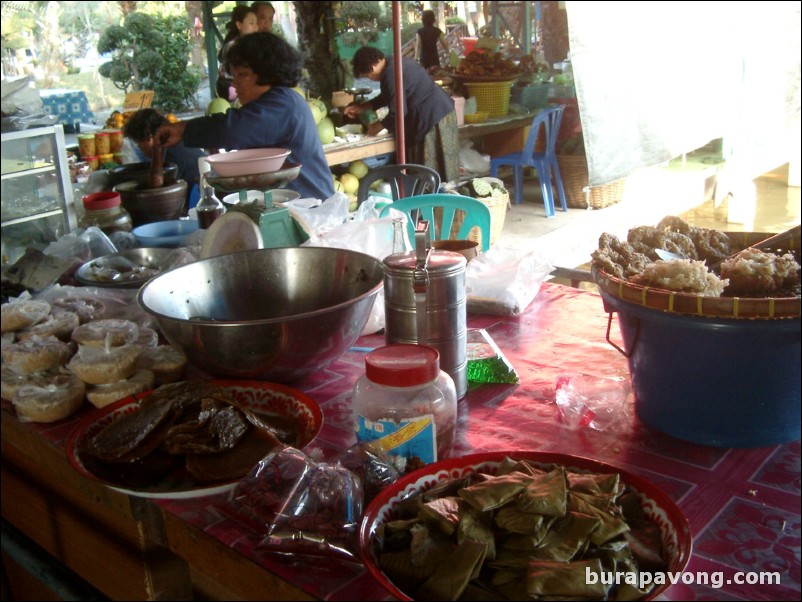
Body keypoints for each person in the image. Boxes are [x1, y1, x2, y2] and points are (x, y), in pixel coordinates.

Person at [157, 32, 334, 201]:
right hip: (290, 206)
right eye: (233, 76)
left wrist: (182, 130)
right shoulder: (273, 103)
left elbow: (232, 129)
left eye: (242, 75)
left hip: (312, 211)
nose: (235, 83)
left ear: (268, 72)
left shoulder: (283, 104)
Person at [345, 47, 459, 184]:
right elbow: (391, 96)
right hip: (440, 110)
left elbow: (397, 111)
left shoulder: (391, 73)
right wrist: (362, 107)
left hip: (433, 116)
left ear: (372, 67)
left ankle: (440, 200)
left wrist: (378, 127)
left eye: (368, 76)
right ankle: (443, 198)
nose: (371, 79)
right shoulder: (393, 64)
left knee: (433, 167)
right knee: (441, 167)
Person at [123, 108, 206, 213]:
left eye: (138, 143)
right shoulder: (179, 143)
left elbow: (161, 195)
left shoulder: (170, 157)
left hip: (197, 204)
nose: (139, 148)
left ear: (149, 137)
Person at [216, 6, 259, 101]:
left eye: (256, 23)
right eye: (251, 23)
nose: (256, 27)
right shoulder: (234, 46)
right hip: (236, 91)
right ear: (239, 25)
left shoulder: (252, 45)